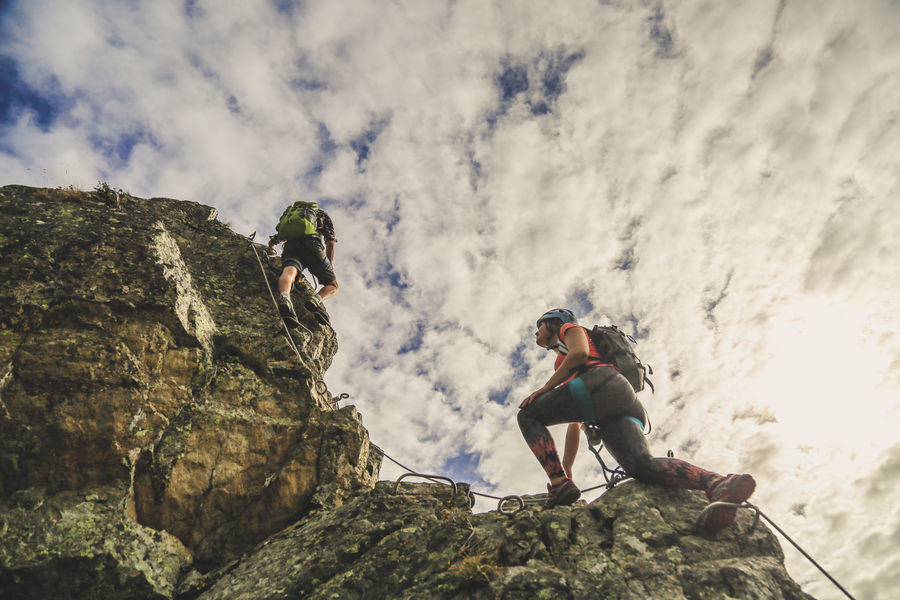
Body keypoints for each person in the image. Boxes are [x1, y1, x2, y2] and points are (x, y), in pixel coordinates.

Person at [517, 308, 756, 532]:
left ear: (553, 321)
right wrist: (567, 468)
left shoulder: (568, 329)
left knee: (528, 414)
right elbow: (575, 423)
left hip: (599, 383)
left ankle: (557, 483)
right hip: (620, 400)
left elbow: (580, 354)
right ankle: (718, 483)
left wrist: (546, 388)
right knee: (642, 466)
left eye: (539, 326)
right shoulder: (565, 357)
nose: (536, 332)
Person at [267, 201, 338, 327]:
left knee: (289, 272)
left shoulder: (291, 214)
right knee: (333, 285)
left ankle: (285, 297)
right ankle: (315, 300)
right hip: (312, 245)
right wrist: (329, 267)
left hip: (290, 246)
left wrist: (271, 248)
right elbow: (330, 242)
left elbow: (276, 239)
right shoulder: (321, 214)